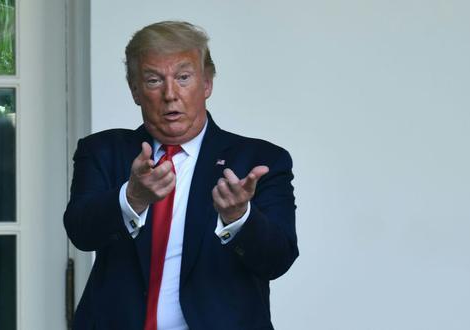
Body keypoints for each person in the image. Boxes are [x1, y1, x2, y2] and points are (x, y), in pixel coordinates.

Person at [64, 21, 298, 330]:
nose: (170, 94)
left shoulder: (259, 161)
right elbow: (82, 233)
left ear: (207, 84)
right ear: (135, 90)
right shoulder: (103, 152)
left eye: (183, 77)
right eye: (153, 80)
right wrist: (131, 199)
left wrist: (239, 217)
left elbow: (277, 260)